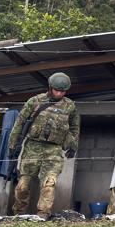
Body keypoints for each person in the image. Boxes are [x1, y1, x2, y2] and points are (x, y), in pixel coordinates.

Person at [10, 72, 80, 218]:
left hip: (54, 149)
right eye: (57, 90)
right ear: (50, 87)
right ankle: (18, 213)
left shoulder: (70, 106)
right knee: (23, 184)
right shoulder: (35, 101)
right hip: (32, 147)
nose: (59, 93)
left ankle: (43, 214)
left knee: (49, 184)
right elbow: (19, 123)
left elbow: (74, 128)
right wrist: (12, 145)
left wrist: (73, 146)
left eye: (63, 91)